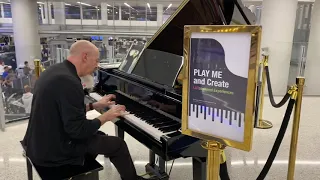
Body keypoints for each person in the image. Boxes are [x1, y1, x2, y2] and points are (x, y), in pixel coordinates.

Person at [22, 40, 150, 180]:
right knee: (118, 144)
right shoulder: (69, 81)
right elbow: (78, 131)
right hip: (54, 152)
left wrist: (93, 106)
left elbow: (64, 110)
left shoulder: (56, 70)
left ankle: (85, 172)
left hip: (39, 141)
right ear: (84, 57)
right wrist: (106, 116)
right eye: (96, 60)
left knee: (100, 135)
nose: (97, 65)